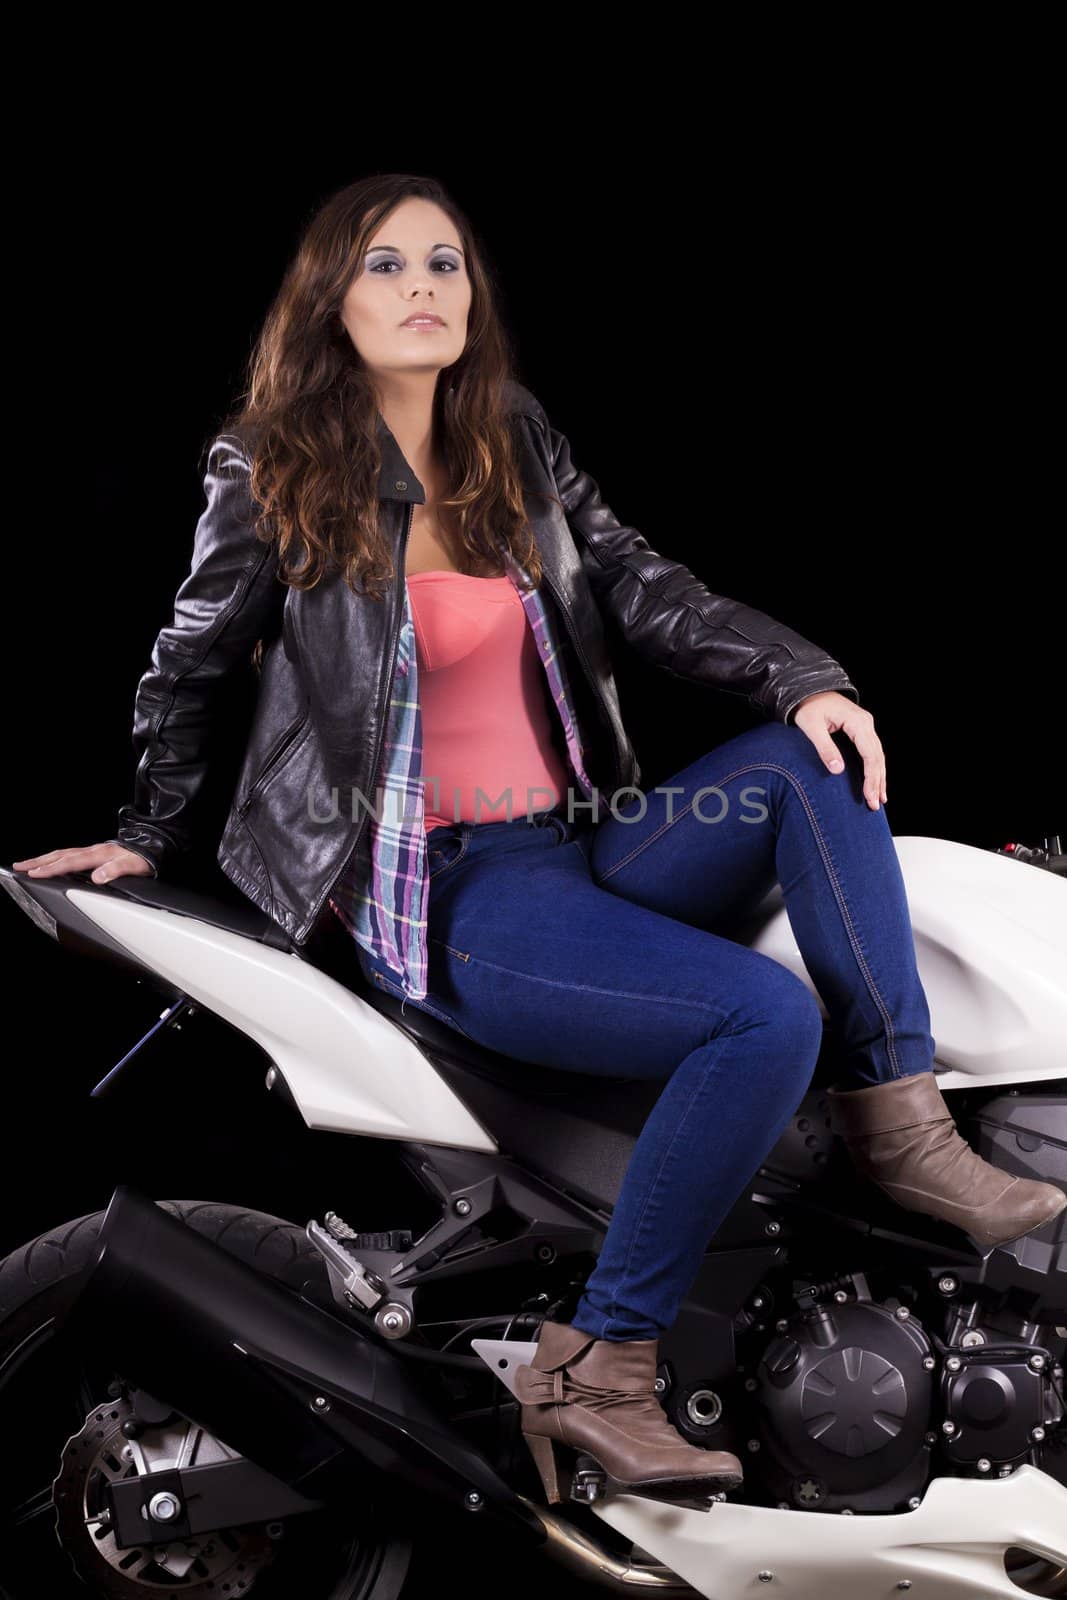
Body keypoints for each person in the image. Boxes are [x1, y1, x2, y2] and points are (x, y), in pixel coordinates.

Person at [14, 174, 1065, 1509]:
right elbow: (190, 666)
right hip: (439, 889)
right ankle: (600, 1363)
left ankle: (902, 1129)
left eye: (445, 265)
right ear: (331, 298)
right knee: (756, 1021)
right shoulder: (274, 465)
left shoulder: (511, 437)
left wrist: (801, 674)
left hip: (581, 839)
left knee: (812, 769)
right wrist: (143, 835)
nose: (424, 291)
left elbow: (641, 583)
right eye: (388, 267)